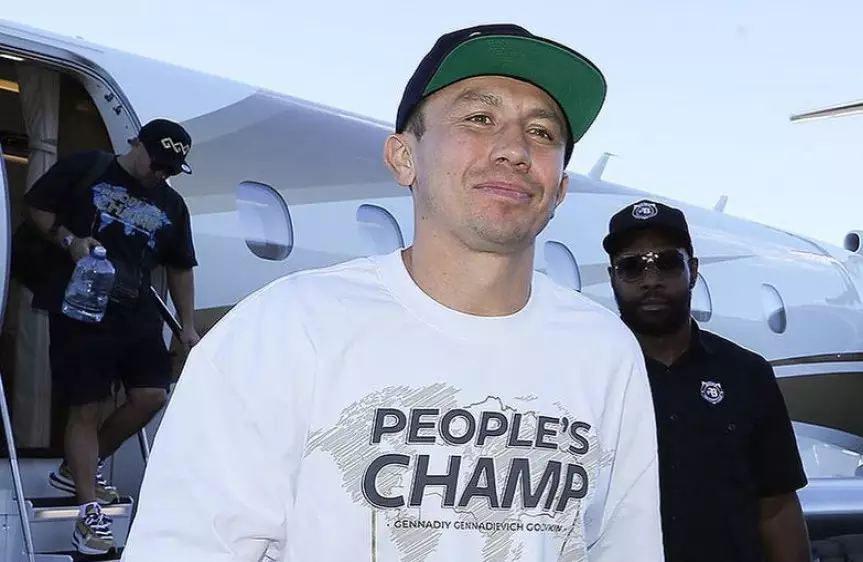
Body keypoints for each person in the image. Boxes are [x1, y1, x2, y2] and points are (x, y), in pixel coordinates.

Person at [121, 24, 664, 562]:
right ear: (404, 157)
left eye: (542, 133)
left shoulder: (604, 352)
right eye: (479, 118)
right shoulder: (285, 331)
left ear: (560, 187)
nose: (515, 149)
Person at [22, 118, 200, 556]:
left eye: (171, 169)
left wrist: (187, 324)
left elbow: (180, 265)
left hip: (135, 307)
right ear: (136, 144)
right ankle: (89, 516)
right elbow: (37, 206)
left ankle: (78, 465)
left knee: (151, 396)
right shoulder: (90, 168)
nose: (161, 174)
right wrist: (69, 240)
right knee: (87, 404)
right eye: (157, 163)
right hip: (82, 303)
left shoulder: (172, 204)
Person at [603, 199, 812, 562]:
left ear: (693, 271)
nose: (651, 280)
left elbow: (777, 508)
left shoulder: (748, 375)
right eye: (632, 267)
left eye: (668, 263)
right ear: (612, 278)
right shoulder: (588, 374)